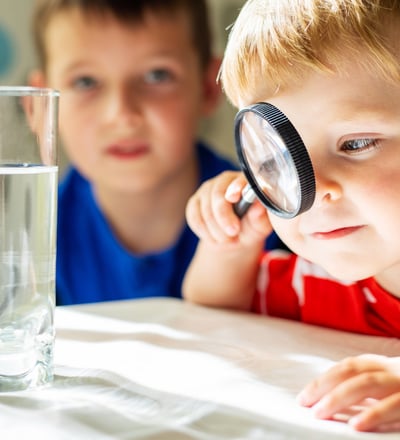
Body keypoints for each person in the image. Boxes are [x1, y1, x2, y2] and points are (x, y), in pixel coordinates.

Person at [182, 0, 400, 433]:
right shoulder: (314, 281)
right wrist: (229, 243)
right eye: (277, 163)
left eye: (356, 144)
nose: (314, 189)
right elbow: (212, 313)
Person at [28, 0, 254, 306]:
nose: (122, 114)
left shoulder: (271, 220)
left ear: (210, 86)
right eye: (86, 82)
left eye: (156, 76)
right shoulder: (31, 242)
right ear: (39, 105)